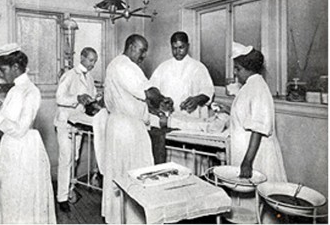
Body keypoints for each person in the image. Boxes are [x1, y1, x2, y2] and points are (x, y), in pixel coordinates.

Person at [0, 43, 56, 224]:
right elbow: (7, 118)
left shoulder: (31, 91)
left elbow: (20, 129)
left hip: (25, 150)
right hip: (11, 148)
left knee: (23, 198)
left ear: (15, 67)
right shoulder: (14, 90)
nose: (1, 74)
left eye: (3, 69)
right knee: (9, 196)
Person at [226, 42, 287, 223]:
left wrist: (247, 162)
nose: (235, 73)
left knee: (261, 208)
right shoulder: (249, 86)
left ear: (247, 68)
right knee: (248, 206)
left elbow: (257, 130)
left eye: (237, 69)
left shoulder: (258, 88)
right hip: (247, 151)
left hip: (256, 155)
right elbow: (246, 115)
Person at [102, 34, 154, 224]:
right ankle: (132, 219)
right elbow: (147, 92)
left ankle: (118, 218)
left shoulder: (116, 64)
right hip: (127, 128)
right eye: (142, 50)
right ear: (131, 47)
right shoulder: (125, 66)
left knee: (120, 172)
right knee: (134, 172)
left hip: (120, 124)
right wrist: (162, 99)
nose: (144, 56)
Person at [148, 31, 214, 169]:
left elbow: (208, 92)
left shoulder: (198, 67)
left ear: (188, 46)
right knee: (172, 159)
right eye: (174, 48)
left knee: (191, 159)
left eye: (181, 47)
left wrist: (196, 99)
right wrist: (162, 99)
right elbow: (152, 89)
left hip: (191, 118)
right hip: (170, 120)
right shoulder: (163, 67)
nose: (178, 51)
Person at [53, 47, 98, 212]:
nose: (93, 64)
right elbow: (59, 97)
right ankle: (62, 198)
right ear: (82, 58)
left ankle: (70, 189)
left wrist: (95, 101)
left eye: (95, 61)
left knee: (75, 157)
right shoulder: (70, 75)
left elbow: (91, 96)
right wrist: (77, 98)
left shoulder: (90, 77)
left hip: (79, 123)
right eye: (91, 60)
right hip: (65, 123)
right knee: (66, 159)